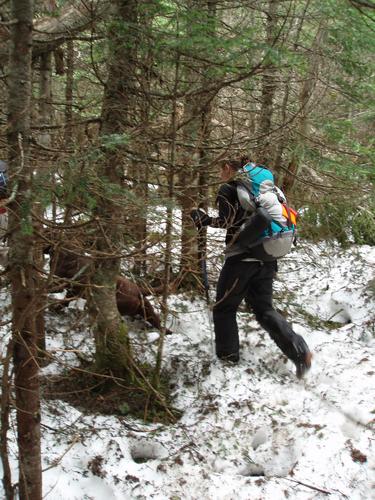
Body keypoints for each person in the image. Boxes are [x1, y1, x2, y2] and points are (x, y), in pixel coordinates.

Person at [190, 158, 312, 379]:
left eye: (220, 169)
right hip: (268, 257)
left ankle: (227, 359)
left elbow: (226, 221)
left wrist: (203, 219)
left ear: (228, 168)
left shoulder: (229, 188)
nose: (219, 174)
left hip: (242, 259)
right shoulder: (268, 190)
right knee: (264, 309)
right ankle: (299, 351)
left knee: (224, 308)